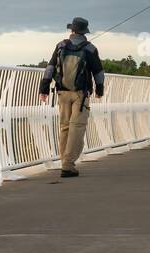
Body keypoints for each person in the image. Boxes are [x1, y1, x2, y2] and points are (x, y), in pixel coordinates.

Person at [38, 16, 105, 177]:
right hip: (80, 95)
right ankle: (68, 165)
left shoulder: (61, 46)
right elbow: (98, 72)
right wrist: (99, 89)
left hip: (62, 93)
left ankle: (64, 162)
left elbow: (50, 67)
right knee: (77, 127)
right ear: (84, 31)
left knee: (65, 127)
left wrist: (44, 88)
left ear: (72, 30)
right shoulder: (90, 48)